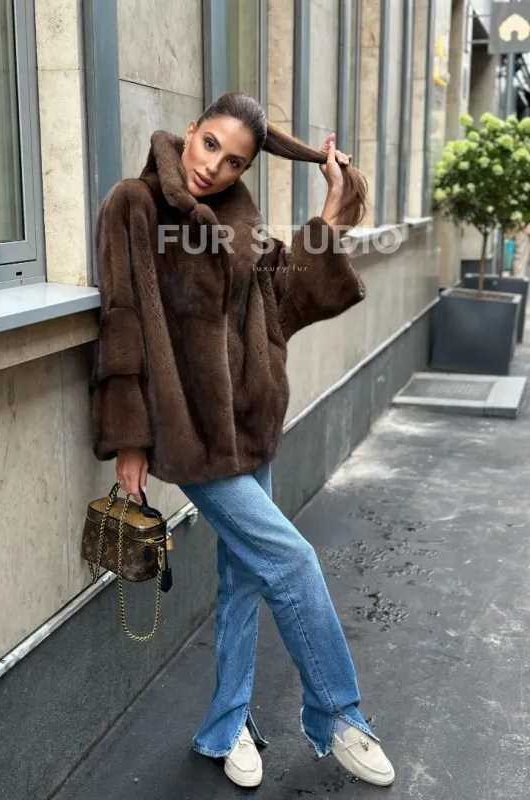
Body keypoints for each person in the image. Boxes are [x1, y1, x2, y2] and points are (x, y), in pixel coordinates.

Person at [90, 91, 395, 788]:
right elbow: (122, 319)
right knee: (292, 560)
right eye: (210, 146)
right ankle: (339, 713)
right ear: (190, 131)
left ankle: (225, 726)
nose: (214, 167)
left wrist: (329, 215)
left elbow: (282, 303)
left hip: (250, 423)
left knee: (244, 577)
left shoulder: (241, 222)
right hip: (192, 433)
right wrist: (129, 438)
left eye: (233, 161)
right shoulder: (134, 205)